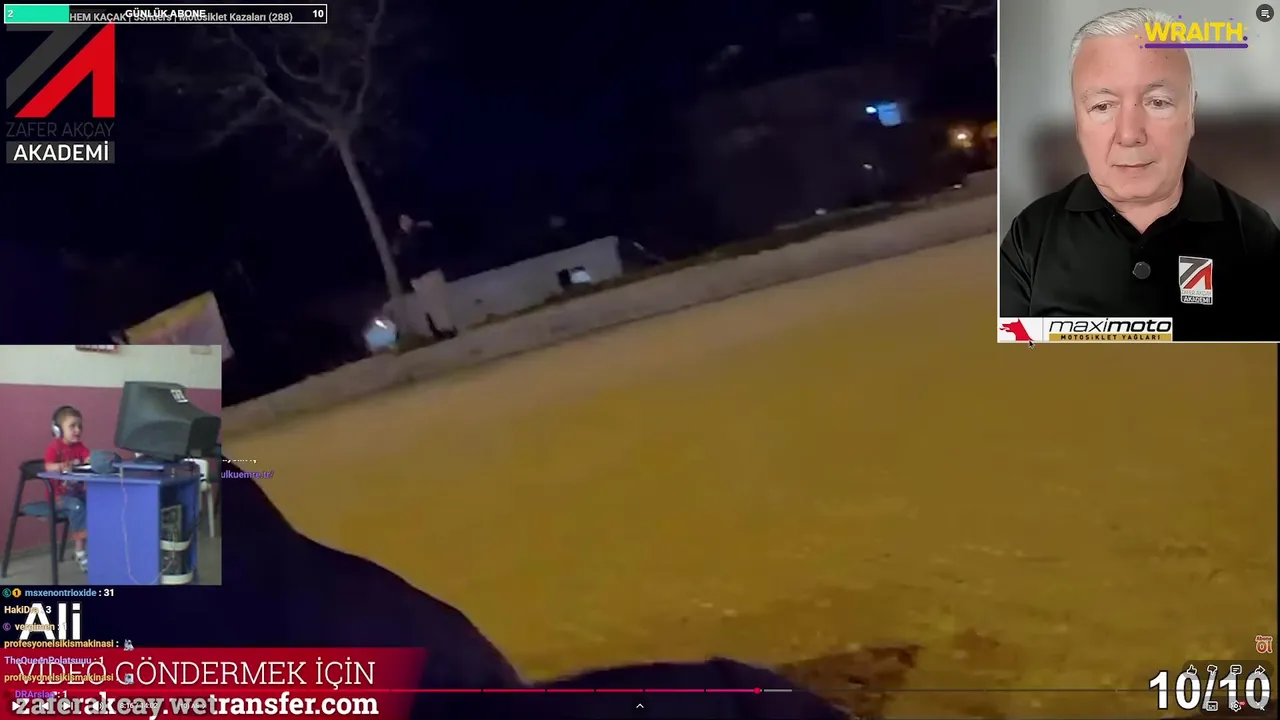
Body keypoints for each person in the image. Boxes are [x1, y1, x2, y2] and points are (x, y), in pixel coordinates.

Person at [999, 7, 1279, 341]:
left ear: (1191, 114)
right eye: (1103, 106)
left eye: (1158, 102)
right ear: (1078, 122)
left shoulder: (1253, 236)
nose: (1129, 134)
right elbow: (1009, 361)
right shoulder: (1031, 236)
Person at [43, 406, 90, 571]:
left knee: (97, 502)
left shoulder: (80, 447)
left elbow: (88, 458)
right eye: (72, 426)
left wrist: (92, 460)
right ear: (58, 430)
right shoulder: (54, 448)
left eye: (79, 426)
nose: (77, 430)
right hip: (58, 498)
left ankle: (99, 546)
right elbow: (48, 466)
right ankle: (79, 552)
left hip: (76, 493)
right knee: (78, 507)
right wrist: (61, 465)